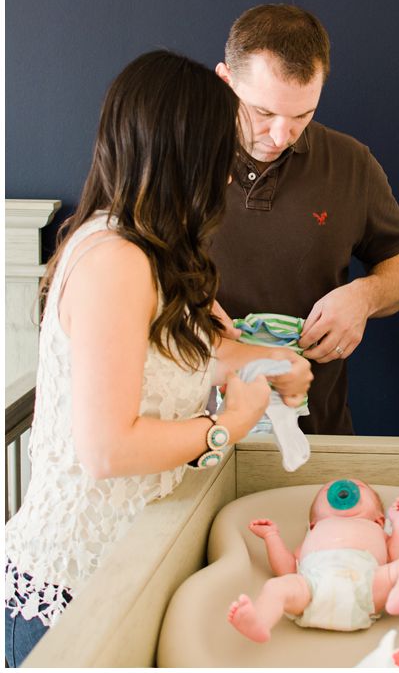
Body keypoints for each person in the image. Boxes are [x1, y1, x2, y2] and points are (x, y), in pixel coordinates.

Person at [4, 51, 313, 667]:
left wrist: (273, 362)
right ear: (183, 156)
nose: (227, 174)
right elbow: (107, 450)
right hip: (74, 586)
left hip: (138, 558)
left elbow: (184, 355)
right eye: (220, 154)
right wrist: (226, 427)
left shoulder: (155, 250)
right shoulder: (114, 261)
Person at [209, 4, 399, 435]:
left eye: (303, 116)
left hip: (316, 434)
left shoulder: (351, 163)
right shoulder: (171, 159)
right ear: (225, 82)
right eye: (264, 113)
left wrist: (365, 296)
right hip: (187, 435)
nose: (281, 136)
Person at [227, 478, 399, 642]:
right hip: (312, 586)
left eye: (357, 487)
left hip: (367, 584)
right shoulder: (315, 531)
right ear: (312, 522)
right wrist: (271, 537)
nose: (343, 490)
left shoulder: (376, 529)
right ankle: (260, 621)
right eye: (327, 492)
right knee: (276, 587)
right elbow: (288, 570)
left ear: (379, 519)